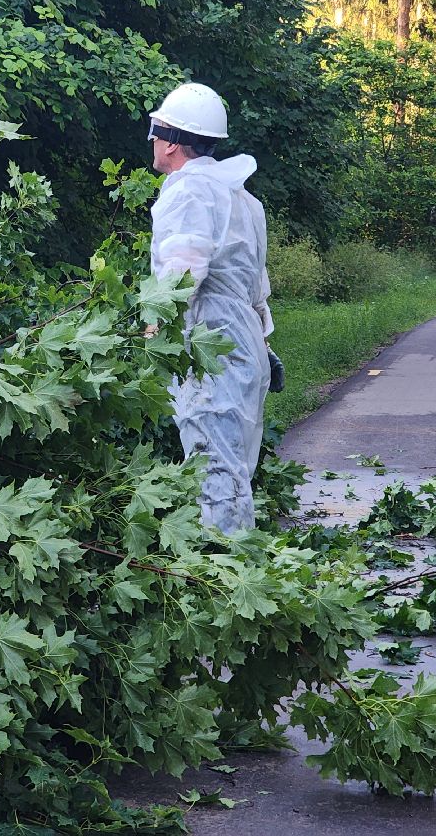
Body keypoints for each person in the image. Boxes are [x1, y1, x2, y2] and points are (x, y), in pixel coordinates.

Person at [146, 82, 273, 533]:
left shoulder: (190, 191)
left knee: (211, 464)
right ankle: (239, 555)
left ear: (172, 141)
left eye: (158, 131)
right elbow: (257, 285)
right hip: (243, 340)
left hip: (209, 341)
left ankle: (221, 563)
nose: (153, 141)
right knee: (233, 463)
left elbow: (182, 272)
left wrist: (152, 330)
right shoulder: (241, 197)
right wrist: (263, 344)